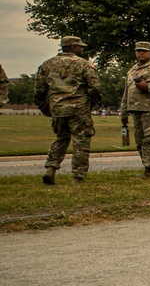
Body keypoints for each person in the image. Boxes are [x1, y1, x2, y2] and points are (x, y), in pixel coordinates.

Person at [34, 36, 101, 185]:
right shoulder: (83, 64)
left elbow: (39, 92)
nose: (82, 49)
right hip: (79, 109)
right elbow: (95, 88)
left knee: (61, 138)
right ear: (73, 48)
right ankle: (77, 177)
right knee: (81, 142)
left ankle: (50, 168)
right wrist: (90, 103)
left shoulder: (47, 65)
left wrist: (47, 108)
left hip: (58, 109)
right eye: (80, 47)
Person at [119, 41, 150, 179]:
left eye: (144, 51)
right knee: (140, 141)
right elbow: (127, 91)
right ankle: (147, 168)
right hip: (136, 110)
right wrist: (124, 111)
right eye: (138, 50)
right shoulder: (132, 71)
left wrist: (149, 86)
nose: (141, 53)